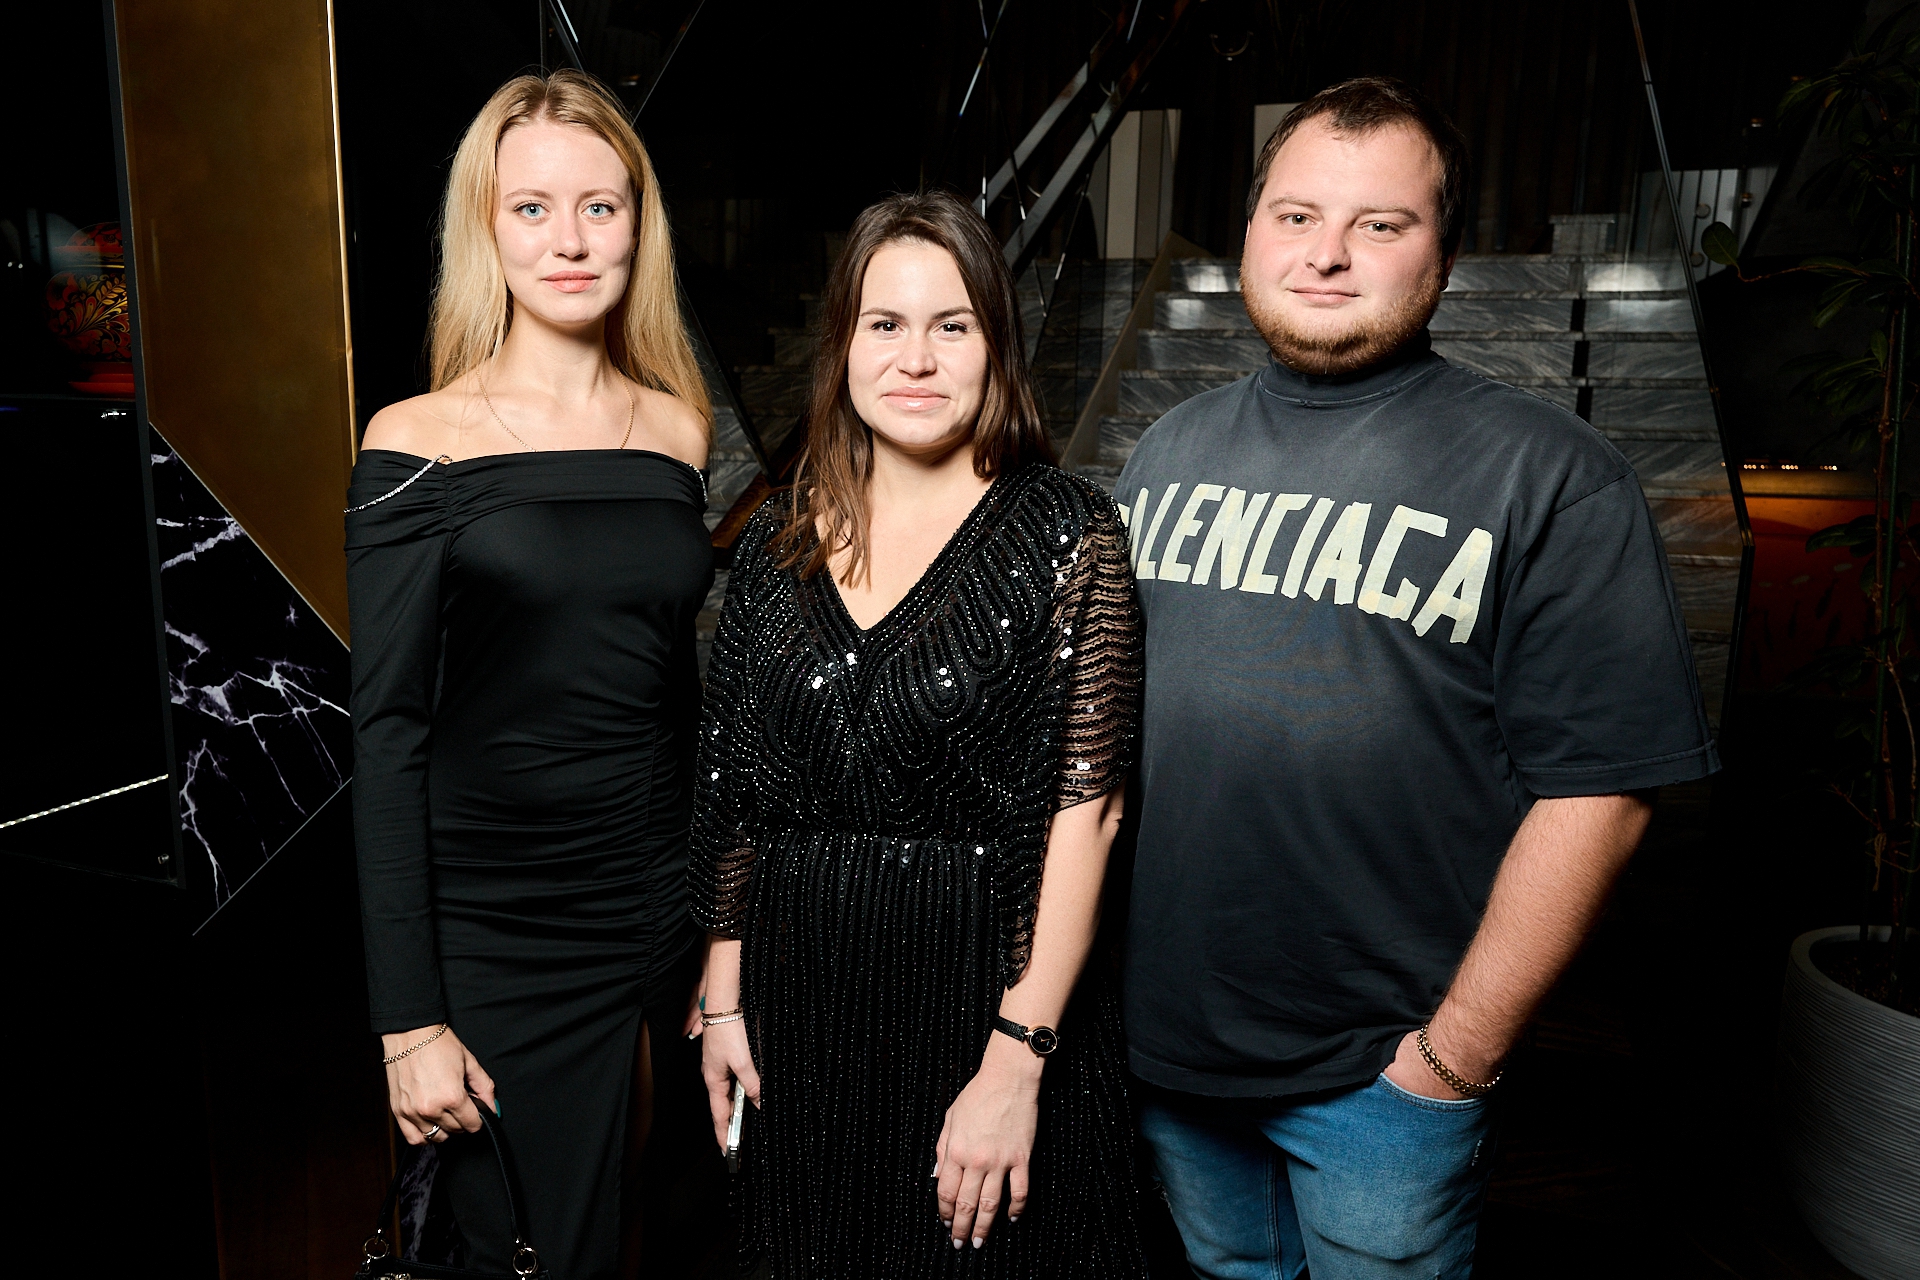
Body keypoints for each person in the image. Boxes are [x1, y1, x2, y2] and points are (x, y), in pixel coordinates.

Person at [1118, 78, 1719, 1280]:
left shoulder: (1554, 475)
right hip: (1166, 1053)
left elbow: (1604, 793)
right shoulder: (1168, 448)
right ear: (1251, 233)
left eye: (1379, 224)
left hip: (1379, 1081)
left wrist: (1448, 1062)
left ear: (1443, 254)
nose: (1326, 254)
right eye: (1296, 215)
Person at [688, 190, 1147, 1278]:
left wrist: (1019, 1057)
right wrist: (723, 996)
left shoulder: (1067, 532)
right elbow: (736, 790)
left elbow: (1089, 813)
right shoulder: (780, 538)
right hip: (799, 1006)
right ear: (842, 346)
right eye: (884, 324)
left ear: (997, 346)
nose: (917, 358)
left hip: (981, 993)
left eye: (953, 325)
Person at [346, 70, 721, 1279]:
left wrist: (716, 940)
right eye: (533, 208)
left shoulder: (679, 431)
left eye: (599, 208)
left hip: (654, 917)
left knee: (656, 1230)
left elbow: (675, 705)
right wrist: (408, 1018)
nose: (570, 240)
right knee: (526, 1249)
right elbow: (387, 733)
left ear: (637, 226)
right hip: (498, 936)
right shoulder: (416, 441)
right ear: (488, 229)